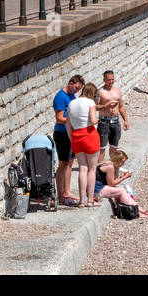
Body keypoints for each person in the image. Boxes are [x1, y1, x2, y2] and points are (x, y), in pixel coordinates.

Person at [53, 75, 85, 205]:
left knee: (70, 162)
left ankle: (66, 191)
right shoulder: (60, 97)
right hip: (62, 134)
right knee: (63, 164)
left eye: (79, 89)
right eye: (76, 88)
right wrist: (73, 121)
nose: (77, 91)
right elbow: (59, 118)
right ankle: (60, 194)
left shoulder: (72, 96)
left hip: (71, 133)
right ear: (71, 83)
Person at [67, 82, 101, 206]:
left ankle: (81, 201)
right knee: (92, 169)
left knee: (82, 167)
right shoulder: (90, 103)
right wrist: (97, 119)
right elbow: (92, 120)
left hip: (76, 136)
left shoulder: (71, 103)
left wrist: (72, 140)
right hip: (89, 135)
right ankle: (90, 200)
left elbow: (68, 126)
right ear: (92, 93)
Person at [94, 148, 148, 216]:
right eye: (122, 162)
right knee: (121, 191)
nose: (122, 164)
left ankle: (138, 209)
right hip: (97, 188)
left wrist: (121, 177)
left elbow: (110, 182)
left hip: (98, 186)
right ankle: (137, 211)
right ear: (118, 160)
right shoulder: (110, 167)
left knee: (122, 189)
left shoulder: (108, 164)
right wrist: (124, 177)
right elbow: (111, 183)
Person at [95, 70, 128, 164]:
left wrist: (125, 120)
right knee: (101, 148)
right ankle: (99, 169)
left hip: (116, 122)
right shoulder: (100, 92)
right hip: (104, 122)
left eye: (112, 79)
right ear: (104, 80)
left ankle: (112, 167)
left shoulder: (117, 91)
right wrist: (107, 105)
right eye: (109, 80)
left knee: (114, 147)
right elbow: (95, 107)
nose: (111, 81)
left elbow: (121, 107)